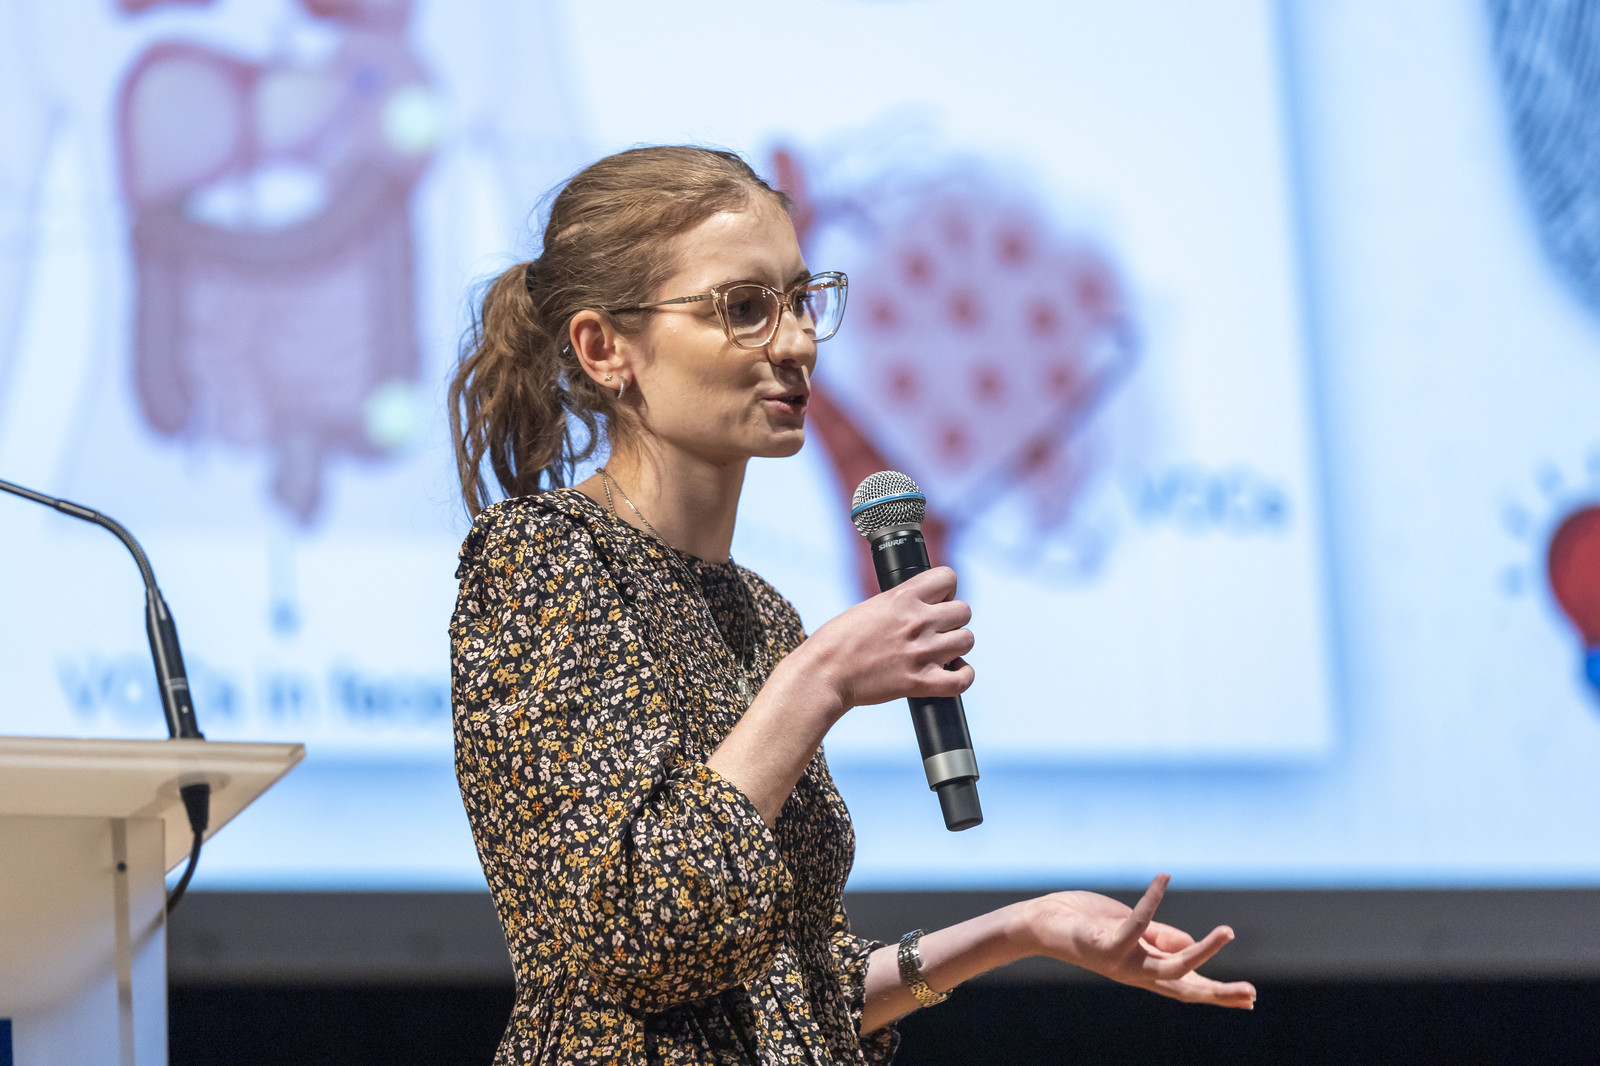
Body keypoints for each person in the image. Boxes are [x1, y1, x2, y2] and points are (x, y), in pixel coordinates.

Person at [447, 145, 1256, 1066]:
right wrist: (823, 677)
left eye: (800, 300)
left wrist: (1024, 928)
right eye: (743, 308)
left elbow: (795, 993)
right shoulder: (542, 561)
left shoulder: (760, 613)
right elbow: (641, 934)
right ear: (605, 349)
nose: (797, 342)